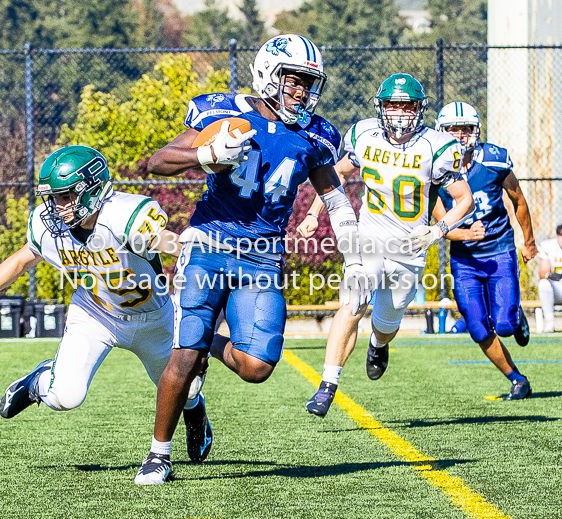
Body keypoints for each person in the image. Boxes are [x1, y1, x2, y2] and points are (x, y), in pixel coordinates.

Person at [134, 34, 367, 485]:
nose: (302, 91)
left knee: (257, 368)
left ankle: (210, 343)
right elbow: (157, 162)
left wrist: (354, 259)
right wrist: (205, 153)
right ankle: (158, 454)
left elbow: (336, 202)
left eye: (309, 82)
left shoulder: (316, 134)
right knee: (183, 355)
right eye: (294, 80)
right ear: (268, 73)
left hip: (262, 256)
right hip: (208, 244)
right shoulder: (225, 113)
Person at [0, 145, 210, 461]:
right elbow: (22, 259)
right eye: (52, 198)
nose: (56, 207)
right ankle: (38, 381)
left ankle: (195, 414)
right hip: (95, 314)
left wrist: (188, 246)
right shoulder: (49, 226)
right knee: (65, 396)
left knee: (185, 390)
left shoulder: (123, 214)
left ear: (93, 189)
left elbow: (164, 241)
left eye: (64, 196)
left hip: (152, 319)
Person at [297, 74, 475, 418]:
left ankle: (378, 346)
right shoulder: (364, 135)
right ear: (381, 107)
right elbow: (336, 174)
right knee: (352, 303)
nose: (398, 112)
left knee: (385, 325)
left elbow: (464, 199)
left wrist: (437, 231)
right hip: (369, 241)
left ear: (418, 109)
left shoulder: (437, 145)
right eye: (392, 104)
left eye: (406, 105)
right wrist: (314, 211)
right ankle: (326, 386)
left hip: (410, 249)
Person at [433, 101, 537, 400]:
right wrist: (465, 233)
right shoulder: (435, 166)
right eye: (453, 129)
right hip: (464, 259)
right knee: (478, 328)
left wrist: (528, 242)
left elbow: (518, 200)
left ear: (475, 131)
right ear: (442, 132)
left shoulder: (493, 160)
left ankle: (515, 318)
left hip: (498, 250)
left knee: (503, 325)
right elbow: (439, 222)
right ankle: (517, 379)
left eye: (465, 128)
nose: (460, 134)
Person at [537, 224, 562, 332]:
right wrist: (551, 275)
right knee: (543, 284)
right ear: (557, 235)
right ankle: (550, 322)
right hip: (557, 288)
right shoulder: (548, 246)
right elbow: (543, 273)